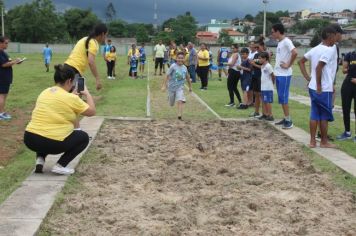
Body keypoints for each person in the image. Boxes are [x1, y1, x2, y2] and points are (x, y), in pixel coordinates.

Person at [24, 64, 96, 175]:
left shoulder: (45, 92)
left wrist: (71, 96)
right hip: (52, 144)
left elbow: (59, 103)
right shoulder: (71, 98)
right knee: (83, 137)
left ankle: (40, 160)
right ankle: (60, 166)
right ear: (69, 81)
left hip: (30, 138)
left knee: (44, 126)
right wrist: (87, 93)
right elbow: (91, 112)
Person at [298, 26, 337, 148]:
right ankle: (324, 142)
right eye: (335, 36)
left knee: (315, 114)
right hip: (323, 88)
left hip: (313, 86)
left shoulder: (314, 49)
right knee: (324, 115)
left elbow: (301, 62)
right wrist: (319, 85)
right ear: (330, 36)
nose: (336, 39)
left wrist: (309, 79)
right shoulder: (329, 50)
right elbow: (319, 67)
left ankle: (312, 141)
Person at [65, 23, 108, 91]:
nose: (106, 37)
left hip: (67, 67)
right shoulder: (94, 43)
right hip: (73, 71)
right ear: (102, 34)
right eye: (106, 35)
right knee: (78, 94)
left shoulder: (85, 39)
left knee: (81, 90)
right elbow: (91, 62)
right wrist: (97, 78)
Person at [271, 23, 298, 129]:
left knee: (284, 97)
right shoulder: (280, 43)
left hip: (285, 75)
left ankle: (289, 121)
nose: (272, 34)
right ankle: (286, 117)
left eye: (273, 32)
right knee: (281, 98)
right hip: (278, 74)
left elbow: (295, 53)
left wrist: (288, 65)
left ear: (278, 31)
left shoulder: (287, 41)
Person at [161, 51, 192, 120]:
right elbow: (167, 75)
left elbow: (187, 77)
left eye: (182, 58)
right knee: (171, 104)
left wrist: (190, 87)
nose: (180, 59)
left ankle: (179, 115)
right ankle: (169, 97)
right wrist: (164, 85)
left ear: (184, 59)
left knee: (180, 100)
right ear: (176, 58)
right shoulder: (173, 66)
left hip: (180, 87)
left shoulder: (184, 68)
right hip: (171, 87)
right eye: (179, 58)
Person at [0, 36, 22, 121]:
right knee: (1, 95)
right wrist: (15, 62)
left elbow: (8, 62)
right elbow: (4, 64)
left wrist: (16, 61)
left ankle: (2, 111)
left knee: (4, 95)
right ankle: (1, 114)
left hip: (6, 77)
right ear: (1, 43)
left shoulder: (4, 52)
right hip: (2, 77)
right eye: (6, 43)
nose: (7, 45)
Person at [336, 50, 356, 141]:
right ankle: (347, 132)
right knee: (345, 109)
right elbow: (343, 70)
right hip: (347, 84)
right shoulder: (350, 54)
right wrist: (347, 69)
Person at [249, 40, 265, 118]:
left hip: (261, 77)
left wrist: (254, 64)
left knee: (261, 95)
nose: (256, 48)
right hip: (255, 76)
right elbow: (252, 64)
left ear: (262, 46)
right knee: (256, 94)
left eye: (257, 47)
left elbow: (263, 67)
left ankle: (264, 113)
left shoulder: (265, 55)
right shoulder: (256, 55)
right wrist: (252, 65)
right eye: (255, 47)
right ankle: (256, 112)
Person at [258, 52, 275, 121]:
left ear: (264, 59)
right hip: (263, 87)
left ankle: (270, 115)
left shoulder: (268, 66)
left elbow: (273, 75)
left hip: (268, 87)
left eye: (260, 58)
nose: (259, 60)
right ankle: (265, 114)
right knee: (264, 101)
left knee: (267, 101)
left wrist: (272, 83)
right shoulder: (263, 66)